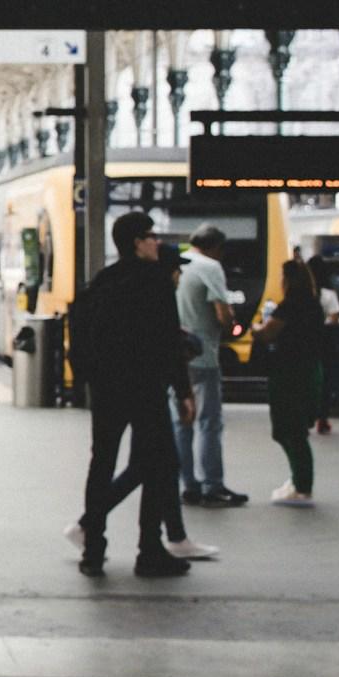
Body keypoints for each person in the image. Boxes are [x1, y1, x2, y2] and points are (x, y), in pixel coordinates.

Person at [68, 212, 197, 579]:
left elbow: (80, 335)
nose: (157, 243)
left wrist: (89, 379)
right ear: (138, 242)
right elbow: (168, 340)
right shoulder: (155, 282)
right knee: (158, 466)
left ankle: (93, 551)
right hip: (145, 390)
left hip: (107, 391)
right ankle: (149, 549)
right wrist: (184, 392)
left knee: (102, 465)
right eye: (152, 237)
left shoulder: (102, 282)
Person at [173, 224, 250, 508]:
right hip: (204, 355)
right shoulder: (211, 267)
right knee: (209, 422)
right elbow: (222, 314)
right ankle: (213, 485)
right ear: (216, 247)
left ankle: (188, 485)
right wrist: (230, 320)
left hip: (176, 356)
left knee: (181, 423)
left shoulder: (178, 264)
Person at [255, 259, 327, 506]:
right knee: (296, 429)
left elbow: (267, 333)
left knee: (289, 430)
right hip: (309, 370)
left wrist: (254, 328)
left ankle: (302, 486)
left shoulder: (289, 306)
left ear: (288, 280)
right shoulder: (313, 305)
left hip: (289, 373)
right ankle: (298, 480)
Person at [307, 254, 339, 436]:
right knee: (324, 379)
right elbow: (335, 319)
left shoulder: (304, 292)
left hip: (306, 341)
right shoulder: (329, 294)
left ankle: (307, 416)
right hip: (325, 340)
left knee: (306, 378)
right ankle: (322, 418)